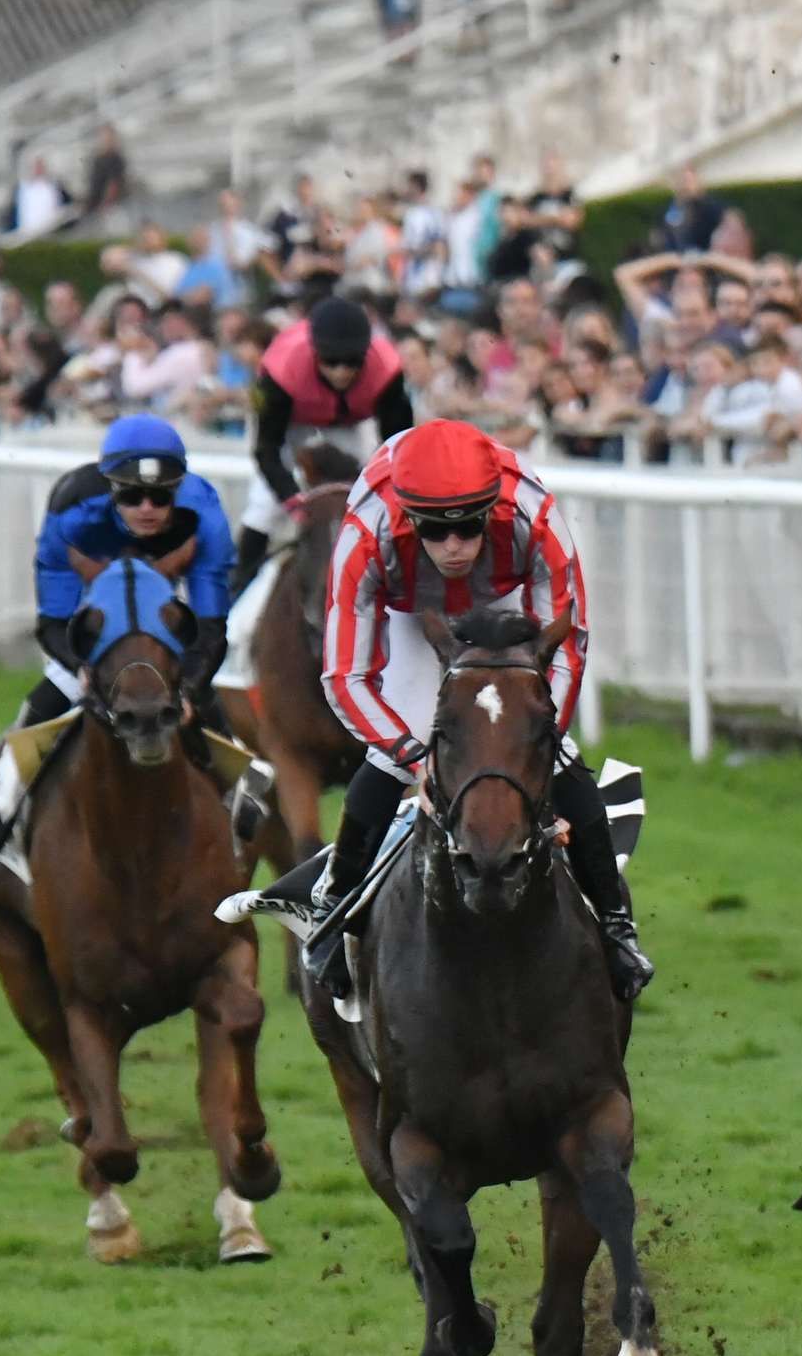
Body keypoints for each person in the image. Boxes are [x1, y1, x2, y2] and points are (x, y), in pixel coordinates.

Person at [260, 419, 646, 1009]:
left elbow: (569, 645)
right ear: (408, 519)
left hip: (508, 599)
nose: (455, 546)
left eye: (469, 526)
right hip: (412, 612)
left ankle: (617, 926)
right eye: (437, 532)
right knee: (395, 757)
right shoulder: (367, 533)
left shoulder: (532, 517)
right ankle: (333, 918)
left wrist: (540, 737)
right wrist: (413, 755)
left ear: (492, 510)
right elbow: (345, 677)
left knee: (557, 756)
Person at [0, 416, 242, 856]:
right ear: (110, 488)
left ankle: (245, 801)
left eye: (160, 496)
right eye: (131, 496)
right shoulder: (72, 509)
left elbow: (210, 624)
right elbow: (52, 621)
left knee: (216, 721)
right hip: (95, 629)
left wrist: (189, 684)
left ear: (179, 490)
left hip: (165, 629)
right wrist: (81, 668)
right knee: (42, 705)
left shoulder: (204, 513)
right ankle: (2, 805)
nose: (147, 507)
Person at [237, 297, 417, 589]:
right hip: (291, 424)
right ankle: (237, 589)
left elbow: (399, 446)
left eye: (353, 362)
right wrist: (293, 500)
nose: (342, 372)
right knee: (264, 507)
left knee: (381, 502)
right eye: (331, 362)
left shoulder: (387, 369)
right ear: (315, 352)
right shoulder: (280, 370)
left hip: (352, 424)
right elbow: (266, 450)